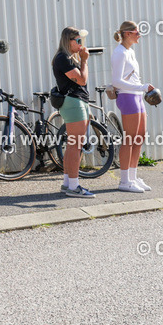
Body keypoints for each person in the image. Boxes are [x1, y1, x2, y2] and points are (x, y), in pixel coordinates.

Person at [111, 21, 155, 192]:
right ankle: (124, 181)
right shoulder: (119, 53)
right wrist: (142, 87)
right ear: (127, 33)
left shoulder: (130, 51)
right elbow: (116, 81)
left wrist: (141, 89)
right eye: (137, 32)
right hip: (127, 96)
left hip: (137, 96)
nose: (139, 35)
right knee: (129, 138)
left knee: (139, 137)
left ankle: (133, 176)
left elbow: (133, 77)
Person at [53, 27, 96, 198]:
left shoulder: (69, 58)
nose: (80, 44)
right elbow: (82, 80)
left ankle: (67, 183)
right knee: (75, 145)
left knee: (74, 144)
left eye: (81, 41)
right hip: (73, 102)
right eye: (78, 41)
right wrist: (84, 60)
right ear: (68, 41)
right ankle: (73, 186)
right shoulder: (63, 58)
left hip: (78, 101)